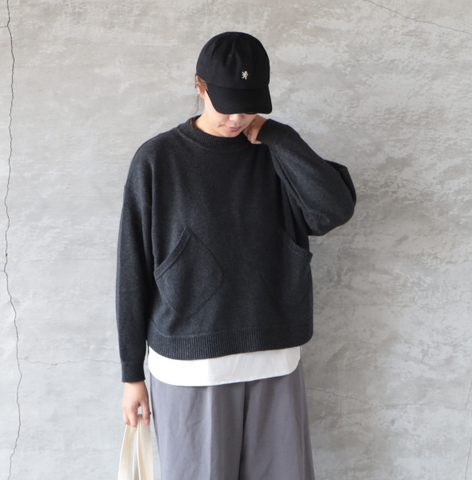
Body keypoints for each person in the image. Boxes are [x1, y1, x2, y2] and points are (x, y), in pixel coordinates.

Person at [116, 31, 356, 480]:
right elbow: (132, 272)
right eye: (226, 103)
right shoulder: (157, 160)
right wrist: (132, 375)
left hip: (274, 356)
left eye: (248, 105)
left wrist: (279, 137)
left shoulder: (275, 154)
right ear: (200, 85)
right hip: (192, 366)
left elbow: (333, 210)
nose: (236, 116)